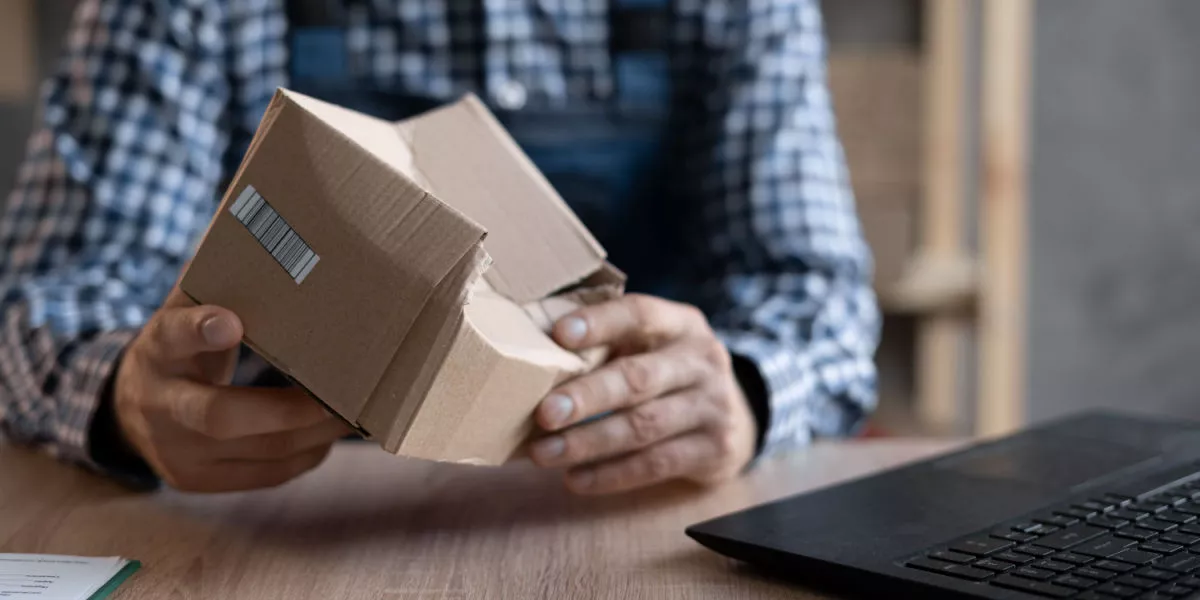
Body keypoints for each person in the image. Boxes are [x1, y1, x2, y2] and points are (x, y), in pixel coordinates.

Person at [0, 0, 879, 495]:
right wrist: (128, 401)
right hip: (278, 511)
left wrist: (745, 393)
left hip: (606, 501)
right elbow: (54, 297)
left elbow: (814, 295)